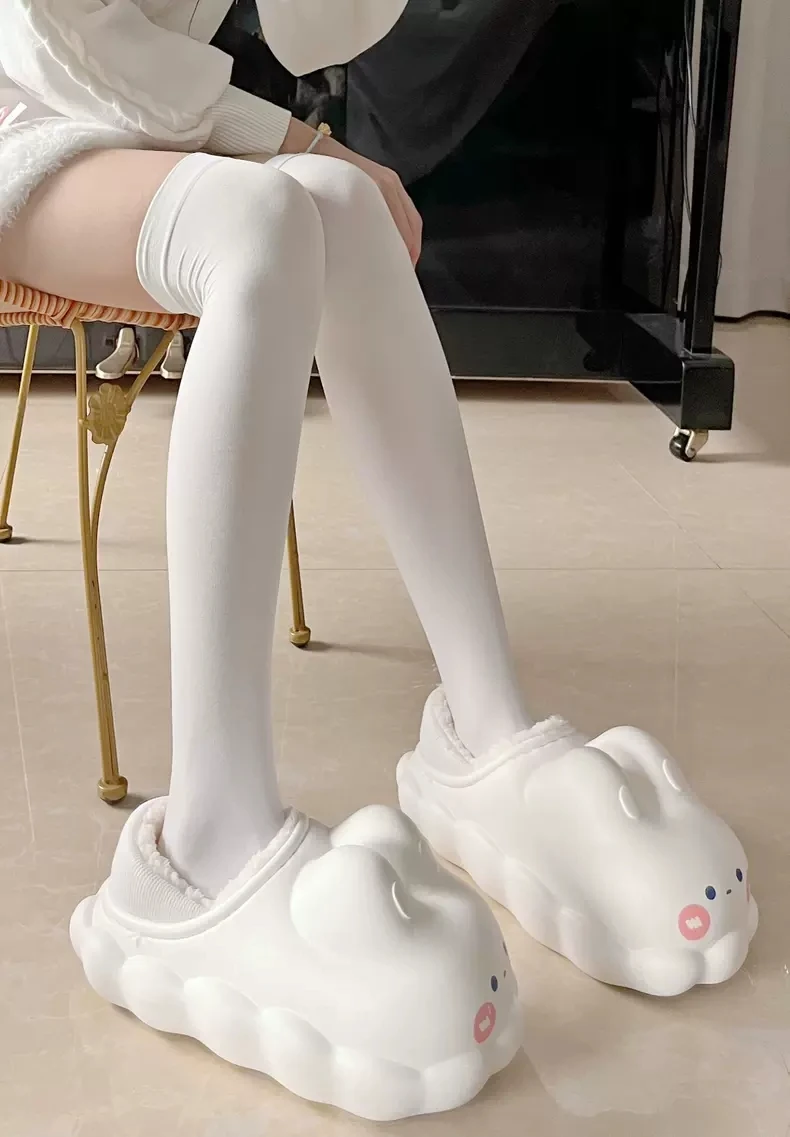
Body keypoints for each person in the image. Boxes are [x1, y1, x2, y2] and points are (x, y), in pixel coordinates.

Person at [0, 0, 756, 1121]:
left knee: (345, 205)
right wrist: (293, 136)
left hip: (133, 110)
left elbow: (313, 31)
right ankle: (204, 840)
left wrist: (308, 144)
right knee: (263, 218)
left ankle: (485, 733)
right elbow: (61, 35)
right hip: (27, 101)